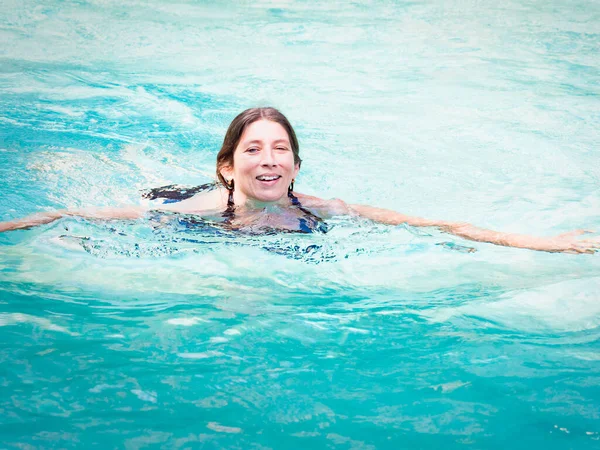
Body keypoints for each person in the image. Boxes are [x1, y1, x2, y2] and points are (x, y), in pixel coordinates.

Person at [0, 107, 598, 254]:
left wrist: (533, 241)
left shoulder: (322, 206)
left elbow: (438, 223)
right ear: (230, 165)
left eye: (280, 148)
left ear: (294, 165)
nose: (270, 158)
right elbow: (74, 215)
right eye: (253, 148)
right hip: (178, 197)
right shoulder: (202, 206)